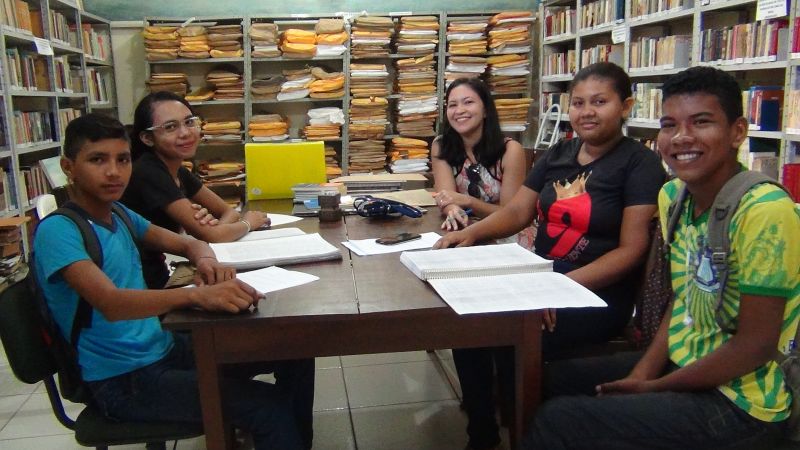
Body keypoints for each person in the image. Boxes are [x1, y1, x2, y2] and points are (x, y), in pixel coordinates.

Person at [524, 66, 800, 450]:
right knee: (544, 381)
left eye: (701, 122)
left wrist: (653, 387)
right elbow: (684, 301)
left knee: (559, 422)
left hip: (742, 401)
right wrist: (643, 373)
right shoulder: (674, 197)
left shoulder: (765, 210)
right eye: (670, 125)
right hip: (684, 365)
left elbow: (754, 345)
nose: (682, 137)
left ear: (738, 131)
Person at [34, 114, 314, 450]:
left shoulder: (118, 213)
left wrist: (207, 261)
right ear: (69, 167)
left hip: (161, 349)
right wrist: (197, 297)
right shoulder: (59, 231)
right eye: (97, 160)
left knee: (296, 351)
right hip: (122, 379)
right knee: (267, 408)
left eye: (122, 160)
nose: (113, 172)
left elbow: (189, 243)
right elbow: (111, 303)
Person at [435, 62, 666, 450]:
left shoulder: (639, 164)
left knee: (507, 335)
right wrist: (469, 235)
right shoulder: (560, 152)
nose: (586, 111)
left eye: (600, 101)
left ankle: (526, 429)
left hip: (594, 290)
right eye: (578, 102)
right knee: (467, 324)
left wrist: (558, 286)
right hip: (540, 277)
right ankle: (485, 433)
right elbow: (517, 213)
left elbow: (632, 250)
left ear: (625, 106)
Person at [121, 91, 269, 288]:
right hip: (140, 284)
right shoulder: (148, 171)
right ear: (148, 138)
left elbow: (227, 212)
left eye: (189, 122)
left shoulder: (176, 168)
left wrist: (216, 230)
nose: (185, 133)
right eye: (171, 127)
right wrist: (248, 223)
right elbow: (214, 236)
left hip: (158, 273)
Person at [431, 77, 535, 249]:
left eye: (468, 102)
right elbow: (447, 197)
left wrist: (468, 202)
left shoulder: (510, 150)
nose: (459, 110)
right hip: (465, 230)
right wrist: (452, 210)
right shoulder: (441, 146)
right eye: (453, 105)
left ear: (486, 109)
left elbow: (511, 215)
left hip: (507, 237)